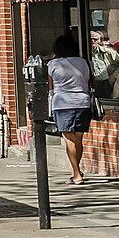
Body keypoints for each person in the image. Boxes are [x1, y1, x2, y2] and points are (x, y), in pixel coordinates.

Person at [47, 34, 94, 185]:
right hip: (82, 102)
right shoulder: (84, 62)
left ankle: (77, 174)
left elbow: (51, 88)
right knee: (78, 139)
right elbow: (89, 82)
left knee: (69, 140)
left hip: (62, 103)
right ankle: (76, 170)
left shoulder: (53, 64)